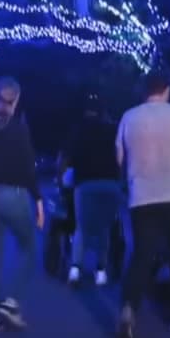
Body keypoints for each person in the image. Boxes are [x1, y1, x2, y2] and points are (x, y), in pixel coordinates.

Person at [115, 69, 170, 338]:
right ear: (166, 90)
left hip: (142, 197)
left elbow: (120, 158)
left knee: (142, 255)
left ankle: (129, 308)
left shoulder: (129, 117)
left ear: (144, 91)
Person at [0, 77, 43, 332]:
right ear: (15, 101)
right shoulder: (18, 129)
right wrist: (37, 199)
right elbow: (28, 167)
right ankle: (11, 301)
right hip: (12, 195)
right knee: (28, 249)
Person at [64, 91, 122, 286]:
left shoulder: (78, 130)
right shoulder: (112, 129)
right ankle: (101, 270)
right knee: (105, 228)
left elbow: (68, 159)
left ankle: (75, 269)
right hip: (110, 183)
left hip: (85, 183)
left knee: (82, 226)